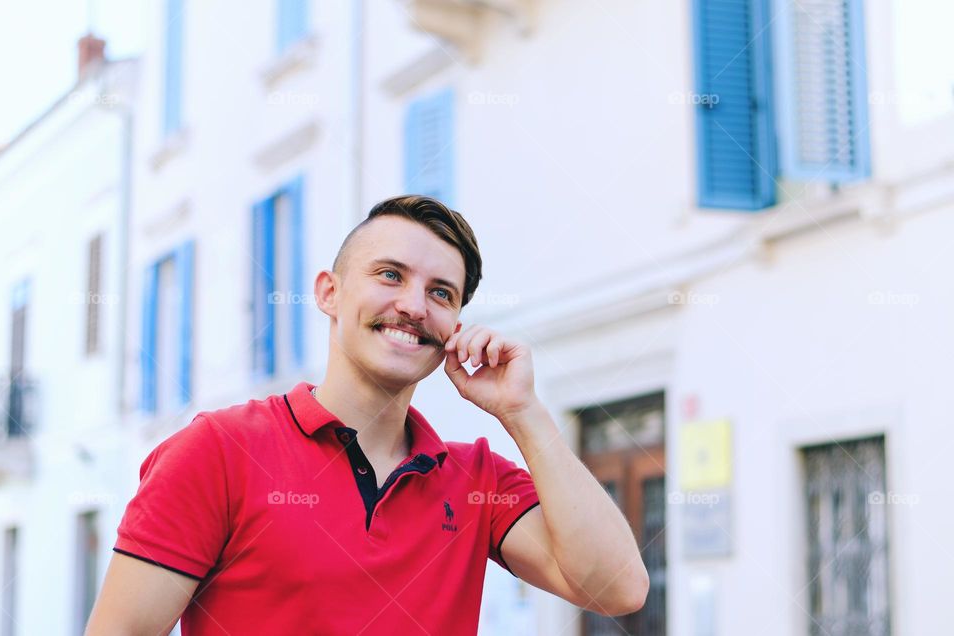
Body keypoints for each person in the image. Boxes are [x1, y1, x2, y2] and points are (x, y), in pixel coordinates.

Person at [86, 195, 648, 635]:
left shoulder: (479, 482)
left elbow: (618, 589)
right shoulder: (217, 450)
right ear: (329, 293)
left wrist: (522, 411)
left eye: (442, 293)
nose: (413, 305)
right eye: (390, 275)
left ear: (455, 324)